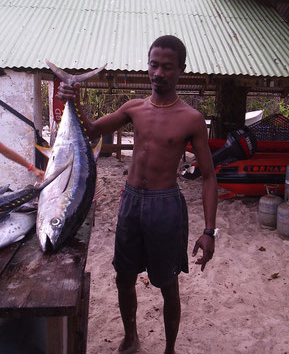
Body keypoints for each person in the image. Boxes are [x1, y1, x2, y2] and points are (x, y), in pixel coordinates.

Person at [57, 35, 218, 354]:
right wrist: (71, 99)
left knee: (167, 283)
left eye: (167, 67)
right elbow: (91, 130)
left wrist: (209, 231)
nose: (159, 73)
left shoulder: (191, 119)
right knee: (124, 276)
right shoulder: (134, 108)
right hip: (130, 202)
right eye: (154, 65)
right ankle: (131, 337)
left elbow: (210, 176)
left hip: (165, 207)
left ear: (181, 70)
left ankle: (169, 348)